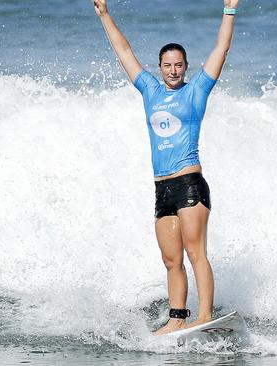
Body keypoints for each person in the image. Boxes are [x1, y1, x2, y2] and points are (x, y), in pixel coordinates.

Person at [93, 0, 238, 335]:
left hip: (189, 183)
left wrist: (229, 10)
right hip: (162, 189)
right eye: (167, 65)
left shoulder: (198, 90)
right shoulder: (149, 90)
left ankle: (204, 315)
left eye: (178, 65)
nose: (173, 70)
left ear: (186, 66)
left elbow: (222, 48)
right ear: (159, 67)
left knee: (194, 251)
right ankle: (177, 319)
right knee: (172, 260)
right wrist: (104, 14)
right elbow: (124, 51)